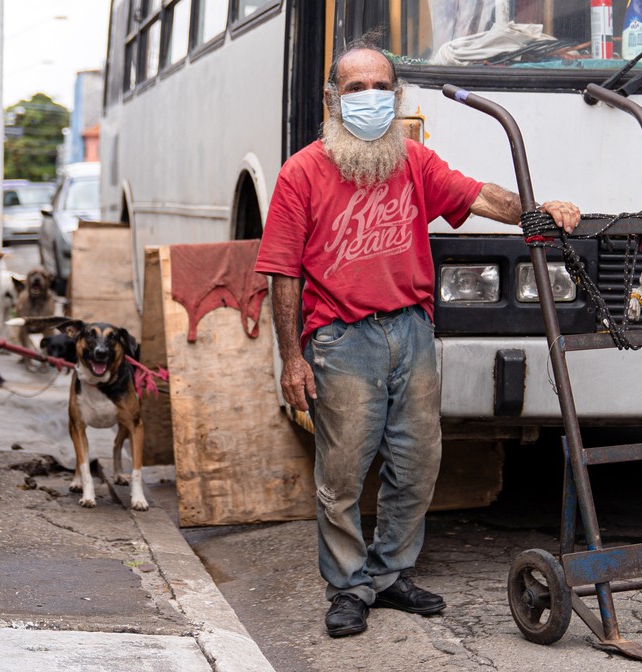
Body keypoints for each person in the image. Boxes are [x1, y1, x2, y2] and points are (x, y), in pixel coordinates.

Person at [254, 41, 580, 638]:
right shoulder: (301, 172)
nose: (370, 98)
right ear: (332, 99)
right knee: (343, 474)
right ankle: (349, 587)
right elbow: (282, 272)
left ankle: (390, 573)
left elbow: (479, 195)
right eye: (356, 89)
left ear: (396, 95)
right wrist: (291, 358)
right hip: (341, 339)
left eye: (381, 87)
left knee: (418, 463)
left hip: (412, 329)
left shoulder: (413, 162)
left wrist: (538, 209)